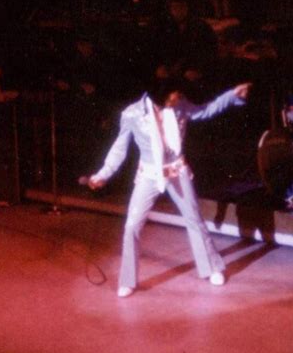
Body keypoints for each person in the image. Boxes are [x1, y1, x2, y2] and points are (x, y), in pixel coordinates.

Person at [88, 78, 252, 297]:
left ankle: (212, 267)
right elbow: (119, 148)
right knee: (132, 225)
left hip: (176, 169)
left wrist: (231, 96)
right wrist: (103, 174)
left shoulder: (180, 105)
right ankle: (127, 280)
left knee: (194, 218)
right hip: (149, 173)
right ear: (160, 96)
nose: (178, 97)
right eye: (174, 94)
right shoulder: (132, 114)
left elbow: (205, 111)